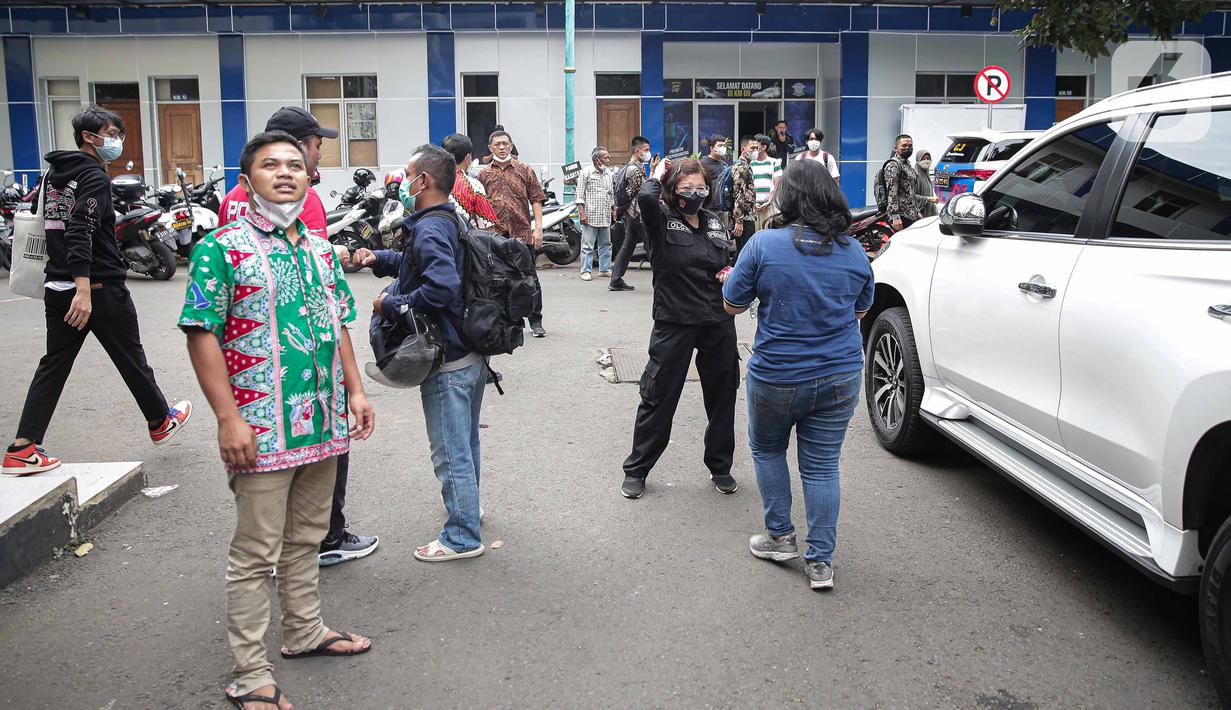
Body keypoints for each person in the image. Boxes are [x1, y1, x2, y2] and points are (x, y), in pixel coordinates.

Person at [180, 131, 376, 710]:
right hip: (259, 427)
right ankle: (250, 675)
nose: (286, 173)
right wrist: (227, 418)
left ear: (309, 177)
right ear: (248, 181)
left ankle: (305, 630)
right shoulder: (223, 247)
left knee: (308, 538)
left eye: (295, 164)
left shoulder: (320, 248)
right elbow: (201, 333)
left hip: (320, 422)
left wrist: (357, 392)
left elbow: (338, 323)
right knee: (255, 554)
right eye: (271, 165)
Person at [218, 105, 379, 569]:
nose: (315, 156)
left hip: (250, 355)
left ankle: (275, 548)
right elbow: (319, 291)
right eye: (313, 146)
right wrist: (353, 388)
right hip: (302, 353)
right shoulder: (300, 200)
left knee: (266, 464)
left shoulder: (234, 196)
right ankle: (325, 538)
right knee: (320, 452)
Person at [3, 106, 192, 477]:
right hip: (96, 288)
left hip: (58, 285)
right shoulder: (92, 176)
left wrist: (72, 284)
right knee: (131, 357)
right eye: (111, 133)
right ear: (89, 137)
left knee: (54, 365)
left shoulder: (55, 175)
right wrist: (84, 290)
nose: (116, 141)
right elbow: (80, 229)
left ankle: (23, 448)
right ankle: (159, 421)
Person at [720, 159, 874, 591]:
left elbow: (731, 305)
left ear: (788, 196)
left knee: (768, 450)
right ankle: (821, 562)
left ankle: (781, 537)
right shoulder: (855, 250)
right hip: (841, 373)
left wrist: (737, 282)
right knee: (823, 467)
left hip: (778, 375)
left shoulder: (764, 244)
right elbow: (860, 310)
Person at [352, 145, 489, 562]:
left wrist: (389, 305)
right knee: (464, 444)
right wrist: (382, 258)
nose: (404, 180)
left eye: (408, 174)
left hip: (446, 358)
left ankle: (462, 537)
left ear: (423, 181)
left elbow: (441, 287)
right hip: (469, 353)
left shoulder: (430, 226)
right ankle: (469, 510)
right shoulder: (448, 216)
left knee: (450, 451)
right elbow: (420, 263)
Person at [619, 157, 740, 500]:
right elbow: (644, 198)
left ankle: (721, 466)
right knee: (658, 395)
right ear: (672, 190)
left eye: (700, 187)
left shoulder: (716, 222)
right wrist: (657, 174)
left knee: (723, 396)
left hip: (717, 320)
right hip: (675, 320)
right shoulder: (660, 219)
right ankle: (637, 469)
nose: (694, 194)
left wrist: (729, 272)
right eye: (686, 188)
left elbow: (727, 260)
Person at [478, 129, 547, 337]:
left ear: (511, 145)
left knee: (529, 278)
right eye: (497, 144)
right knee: (500, 280)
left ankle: (536, 320)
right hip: (496, 234)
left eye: (505, 144)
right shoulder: (483, 174)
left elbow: (536, 198)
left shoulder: (524, 169)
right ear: (490, 148)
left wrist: (538, 228)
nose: (501, 147)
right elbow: (479, 203)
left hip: (522, 232)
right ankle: (510, 321)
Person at [608, 135, 654, 292]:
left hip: (631, 213)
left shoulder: (630, 167)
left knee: (628, 246)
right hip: (637, 214)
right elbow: (647, 190)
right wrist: (654, 171)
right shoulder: (634, 170)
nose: (649, 153)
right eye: (647, 150)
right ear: (638, 150)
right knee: (652, 245)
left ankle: (615, 280)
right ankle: (664, 279)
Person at [442, 133, 499, 230]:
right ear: (468, 157)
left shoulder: (431, 182)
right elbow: (487, 225)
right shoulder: (473, 185)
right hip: (466, 243)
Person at [575, 146, 615, 282]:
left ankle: (605, 269)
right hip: (590, 215)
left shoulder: (608, 173)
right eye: (606, 158)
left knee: (606, 244)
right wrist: (581, 214)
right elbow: (579, 196)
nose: (608, 160)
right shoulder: (586, 173)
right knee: (587, 245)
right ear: (597, 160)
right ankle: (586, 271)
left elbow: (611, 193)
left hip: (604, 214)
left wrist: (612, 208)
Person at [883, 134, 923, 231]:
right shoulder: (893, 165)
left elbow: (910, 192)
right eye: (904, 146)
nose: (908, 148)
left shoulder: (906, 164)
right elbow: (891, 193)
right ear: (896, 148)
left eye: (910, 146)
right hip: (901, 216)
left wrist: (917, 211)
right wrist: (895, 217)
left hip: (911, 214)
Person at [729, 136, 759, 255]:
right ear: (743, 149)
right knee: (744, 252)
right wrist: (739, 221)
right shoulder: (741, 167)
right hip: (744, 219)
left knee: (746, 250)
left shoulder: (746, 166)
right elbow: (738, 194)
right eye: (752, 148)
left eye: (757, 148)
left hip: (749, 217)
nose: (755, 151)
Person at [751, 134, 782, 234]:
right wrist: (753, 203)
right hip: (753, 208)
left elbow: (777, 185)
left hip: (769, 207)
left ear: (763, 147)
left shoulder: (774, 162)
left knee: (768, 234)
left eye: (756, 146)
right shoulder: (750, 163)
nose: (753, 149)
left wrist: (769, 201)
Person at [699, 135, 728, 217]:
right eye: (719, 145)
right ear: (711, 148)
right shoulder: (703, 164)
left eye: (724, 145)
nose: (723, 148)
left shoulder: (724, 164)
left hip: (723, 207)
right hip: (708, 208)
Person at [914, 149, 940, 218]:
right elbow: (911, 196)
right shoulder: (915, 175)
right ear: (918, 160)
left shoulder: (927, 175)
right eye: (923, 159)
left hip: (928, 214)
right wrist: (928, 198)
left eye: (928, 158)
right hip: (919, 215)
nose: (926, 161)